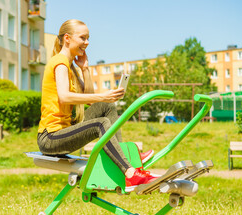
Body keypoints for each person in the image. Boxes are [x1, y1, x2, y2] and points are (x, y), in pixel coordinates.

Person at [37, 19, 157, 192]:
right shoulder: (60, 63)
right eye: (83, 38)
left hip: (65, 131)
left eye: (88, 38)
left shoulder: (70, 67)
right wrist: (103, 95)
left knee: (106, 107)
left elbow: (89, 99)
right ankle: (130, 173)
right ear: (67, 38)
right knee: (100, 123)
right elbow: (64, 97)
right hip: (50, 138)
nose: (87, 42)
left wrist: (85, 69)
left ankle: (123, 158)